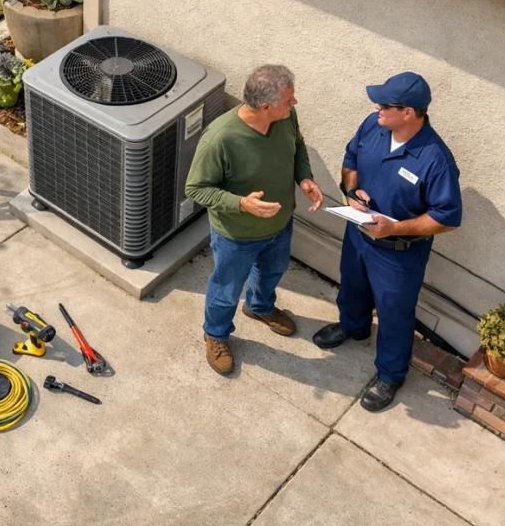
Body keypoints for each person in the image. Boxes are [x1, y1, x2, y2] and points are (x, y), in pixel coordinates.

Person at [313, 72, 462, 412]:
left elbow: (447, 218)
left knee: (395, 314)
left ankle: (391, 374)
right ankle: (353, 327)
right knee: (352, 287)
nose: (376, 108)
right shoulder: (373, 125)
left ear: (408, 112)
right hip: (359, 233)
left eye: (384, 104)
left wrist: (395, 229)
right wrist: (351, 192)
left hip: (398, 254)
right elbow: (350, 161)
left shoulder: (436, 159)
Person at [186, 64, 324, 375]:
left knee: (273, 270)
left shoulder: (286, 118)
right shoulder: (220, 139)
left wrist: (304, 178)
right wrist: (241, 204)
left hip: (279, 224)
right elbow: (195, 188)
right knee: (226, 289)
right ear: (266, 106)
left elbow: (298, 147)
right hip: (236, 235)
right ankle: (216, 334)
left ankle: (259, 307)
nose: (295, 104)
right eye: (289, 100)